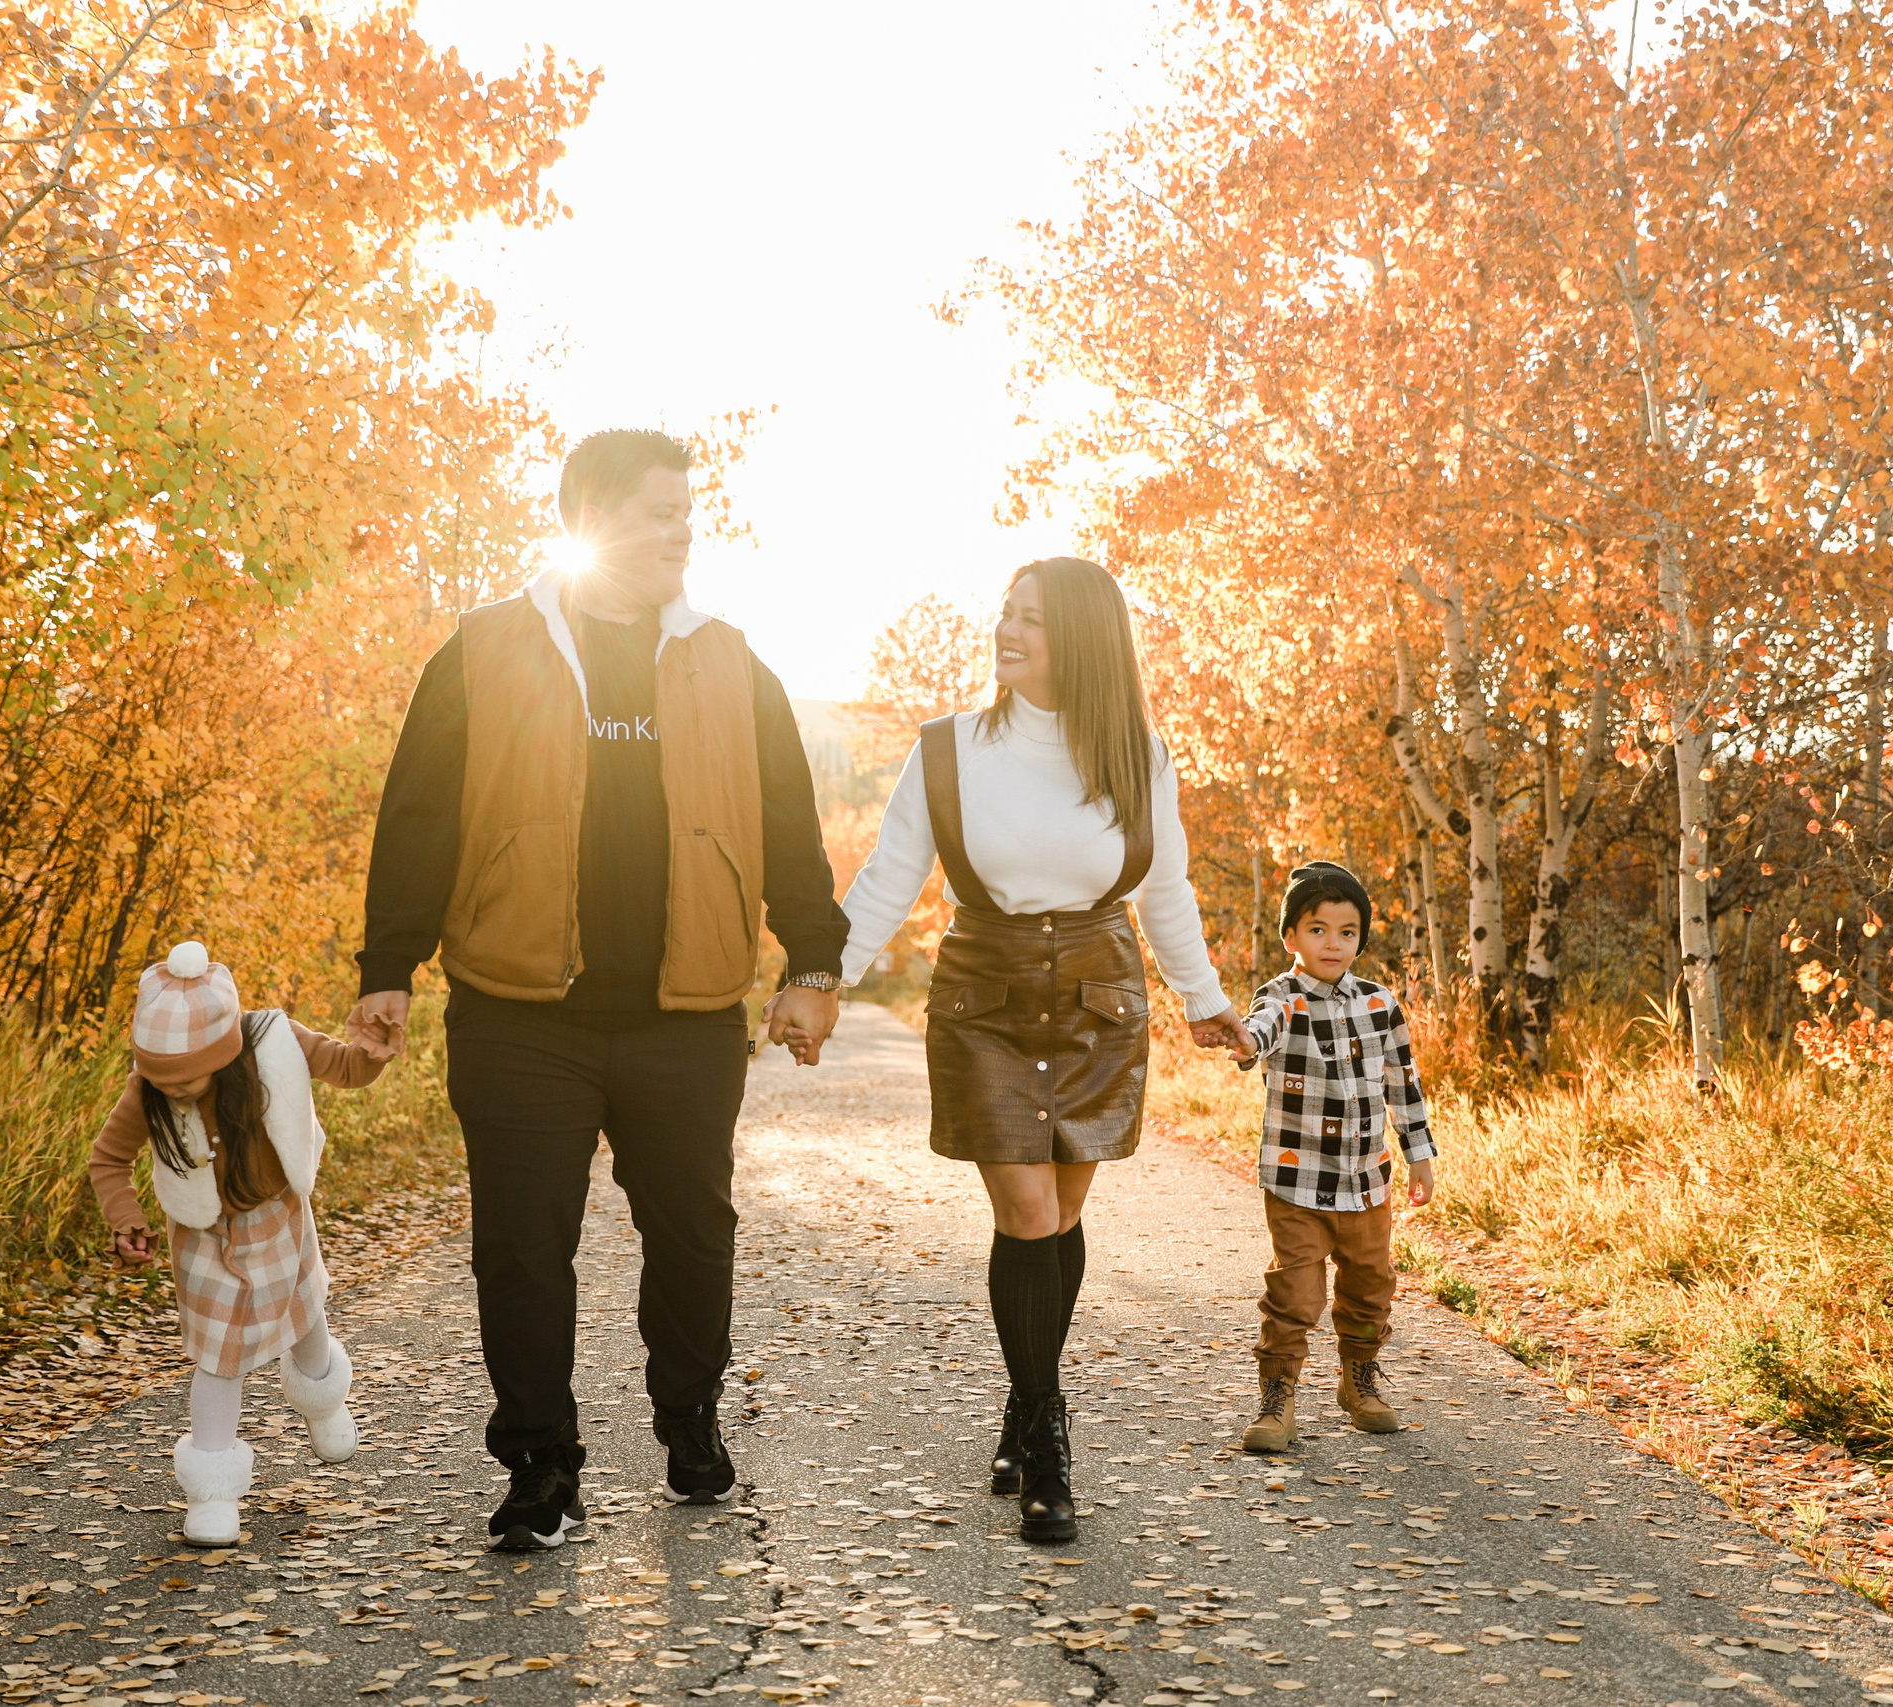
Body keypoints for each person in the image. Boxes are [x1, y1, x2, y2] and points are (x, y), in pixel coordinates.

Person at [345, 429, 847, 1551]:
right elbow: (418, 816)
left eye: (687, 510)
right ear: (597, 517)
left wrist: (811, 964)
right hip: (521, 1015)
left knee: (692, 1237)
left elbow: (786, 825)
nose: (685, 531)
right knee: (521, 1247)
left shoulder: (729, 658)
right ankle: (539, 1463)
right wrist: (389, 969)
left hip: (684, 1015)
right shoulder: (484, 650)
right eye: (664, 511)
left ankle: (689, 1419)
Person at [828, 557, 1250, 1543]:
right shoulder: (948, 752)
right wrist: (824, 983)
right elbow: (888, 878)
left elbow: (1166, 894)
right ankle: (1049, 1435)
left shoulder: (1137, 757)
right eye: (1005, 615)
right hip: (987, 996)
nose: (1007, 632)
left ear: (1085, 643)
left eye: (1033, 621)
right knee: (1024, 1210)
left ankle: (1024, 1403)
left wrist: (1204, 1001)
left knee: (1056, 1210)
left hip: (1099, 999)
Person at [89, 941, 388, 1547]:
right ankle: (213, 1494)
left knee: (305, 1321)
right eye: (160, 1079)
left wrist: (374, 1051)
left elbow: (347, 1068)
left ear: (225, 1055)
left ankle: (323, 1400)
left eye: (190, 1079)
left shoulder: (274, 1042)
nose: (174, 1091)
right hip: (203, 1237)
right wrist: (125, 1220)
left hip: (279, 1219)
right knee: (218, 1357)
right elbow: (108, 1162)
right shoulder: (148, 1088)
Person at [1230, 861, 1439, 1450]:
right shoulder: (1281, 998)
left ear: (1360, 940)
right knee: (1295, 1293)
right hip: (1298, 1180)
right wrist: (1244, 1041)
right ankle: (1278, 1397)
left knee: (1371, 1286)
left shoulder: (1380, 1004)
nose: (1333, 942)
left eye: (1347, 931)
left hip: (1367, 1180)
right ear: (1291, 937)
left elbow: (1403, 1080)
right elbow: (1260, 1030)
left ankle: (1359, 1378)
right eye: (1317, 929)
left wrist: (1419, 1152)